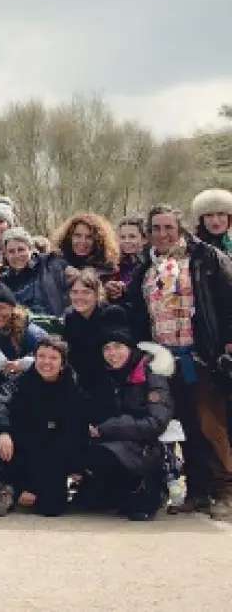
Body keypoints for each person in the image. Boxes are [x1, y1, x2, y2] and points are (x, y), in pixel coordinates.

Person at [123, 204, 232, 519]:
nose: (163, 234)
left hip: (202, 355)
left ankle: (225, 490)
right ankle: (197, 492)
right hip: (164, 359)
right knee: (185, 426)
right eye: (156, 228)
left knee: (210, 423)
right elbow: (138, 314)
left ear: (180, 228)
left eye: (168, 227)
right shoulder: (145, 267)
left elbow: (227, 302)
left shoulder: (206, 259)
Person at [76, 322, 174, 521]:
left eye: (118, 346)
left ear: (130, 348)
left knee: (105, 457)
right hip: (113, 442)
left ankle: (147, 488)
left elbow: (156, 423)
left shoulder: (151, 374)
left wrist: (108, 428)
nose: (112, 353)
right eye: (107, 348)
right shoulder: (105, 375)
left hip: (145, 448)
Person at [0, 336, 86, 517]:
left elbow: (71, 435)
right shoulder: (20, 381)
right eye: (41, 356)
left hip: (54, 452)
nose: (46, 362)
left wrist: (35, 486)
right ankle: (5, 489)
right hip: (20, 447)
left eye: (53, 358)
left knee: (51, 508)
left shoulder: (73, 389)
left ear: (62, 364)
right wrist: (3, 431)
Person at [0, 281, 48, 413]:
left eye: (1, 307)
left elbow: (52, 362)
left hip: (38, 398)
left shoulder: (31, 333)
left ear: (12, 307)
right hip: (5, 399)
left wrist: (22, 364)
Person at [62, 271, 128, 391]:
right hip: (84, 383)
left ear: (97, 294)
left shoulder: (113, 314)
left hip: (113, 382)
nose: (79, 297)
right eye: (75, 292)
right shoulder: (70, 318)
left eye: (86, 292)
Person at [0, 226, 71, 317]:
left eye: (21, 249)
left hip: (57, 321)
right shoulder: (2, 282)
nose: (17, 255)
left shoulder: (50, 264)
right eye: (11, 251)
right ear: (5, 255)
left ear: (30, 249)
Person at [50, 212, 119, 280]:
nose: (83, 241)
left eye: (89, 237)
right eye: (77, 235)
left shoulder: (108, 270)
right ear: (69, 237)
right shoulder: (55, 263)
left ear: (98, 240)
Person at [109, 216, 148, 302]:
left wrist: (125, 289)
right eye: (122, 237)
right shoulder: (113, 264)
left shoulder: (148, 264)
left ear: (144, 239)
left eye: (132, 237)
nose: (126, 241)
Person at [193, 188, 232, 253]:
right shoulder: (190, 246)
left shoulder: (229, 244)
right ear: (202, 220)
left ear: (229, 218)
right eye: (209, 215)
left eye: (221, 214)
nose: (215, 221)